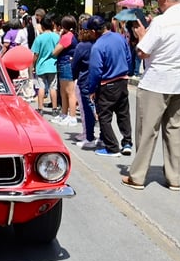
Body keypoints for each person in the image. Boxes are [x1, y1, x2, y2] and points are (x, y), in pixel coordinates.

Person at [123, 0, 180, 191]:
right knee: (176, 131)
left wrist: (141, 36)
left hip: (157, 82)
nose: (157, 3)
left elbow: (143, 52)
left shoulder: (161, 22)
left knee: (147, 131)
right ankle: (174, 178)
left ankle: (137, 176)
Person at [87, 15, 133, 157]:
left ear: (94, 31)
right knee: (123, 113)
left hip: (107, 84)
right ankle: (127, 143)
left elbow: (95, 70)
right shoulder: (119, 38)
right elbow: (128, 57)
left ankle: (112, 147)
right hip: (122, 80)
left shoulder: (98, 46)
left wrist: (92, 89)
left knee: (104, 117)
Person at [72, 15, 99, 149]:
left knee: (87, 109)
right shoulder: (97, 44)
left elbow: (75, 65)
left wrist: (74, 77)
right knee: (100, 109)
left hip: (85, 80)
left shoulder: (81, 46)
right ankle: (104, 137)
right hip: (99, 79)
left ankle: (89, 136)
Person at [30, 14, 60, 116]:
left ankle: (40, 108)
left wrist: (33, 65)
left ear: (42, 26)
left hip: (41, 66)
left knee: (41, 87)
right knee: (53, 87)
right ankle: (55, 108)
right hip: (53, 66)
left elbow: (36, 54)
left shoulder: (39, 39)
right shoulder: (57, 37)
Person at [51, 16, 79, 126]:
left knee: (69, 92)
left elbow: (55, 51)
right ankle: (64, 114)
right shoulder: (71, 36)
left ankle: (72, 116)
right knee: (63, 91)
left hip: (66, 64)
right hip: (65, 64)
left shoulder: (67, 37)